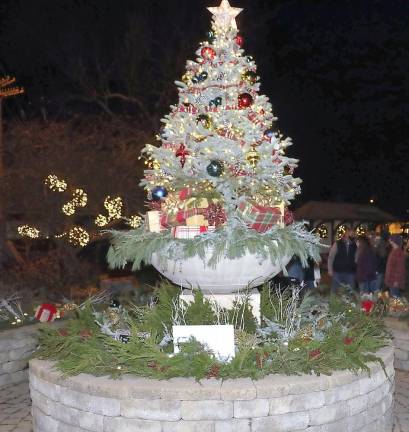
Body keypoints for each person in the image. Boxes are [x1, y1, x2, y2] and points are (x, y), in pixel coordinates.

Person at [327, 227, 357, 293]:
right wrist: (330, 270)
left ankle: (349, 303)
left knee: (350, 291)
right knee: (334, 290)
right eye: (350, 233)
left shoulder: (355, 245)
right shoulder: (337, 244)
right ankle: (333, 302)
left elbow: (357, 259)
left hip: (350, 272)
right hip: (338, 271)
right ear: (346, 234)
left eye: (353, 234)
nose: (352, 235)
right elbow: (331, 257)